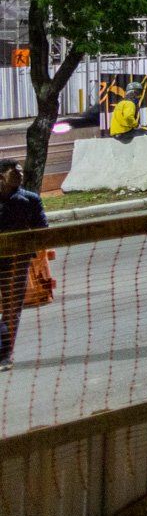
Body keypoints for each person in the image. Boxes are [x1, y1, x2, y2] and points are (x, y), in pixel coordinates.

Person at [0, 159, 48, 371]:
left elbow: (43, 229)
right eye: (14, 173)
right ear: (1, 176)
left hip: (17, 261)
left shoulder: (30, 200)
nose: (20, 175)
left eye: (20, 172)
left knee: (12, 309)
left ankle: (5, 355)